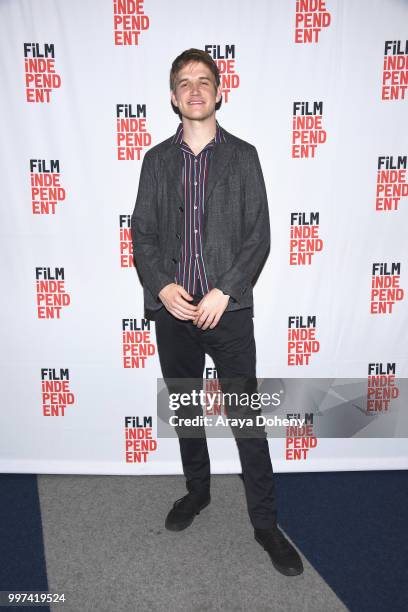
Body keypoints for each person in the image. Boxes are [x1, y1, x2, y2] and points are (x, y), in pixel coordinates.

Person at [131, 48, 303, 577]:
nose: (195, 90)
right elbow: (143, 235)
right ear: (172, 97)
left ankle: (266, 525)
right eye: (184, 83)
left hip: (227, 312)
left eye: (204, 80)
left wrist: (225, 291)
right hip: (173, 312)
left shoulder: (244, 156)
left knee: (246, 419)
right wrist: (162, 288)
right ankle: (197, 493)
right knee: (186, 413)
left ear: (219, 91)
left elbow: (260, 236)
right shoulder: (156, 160)